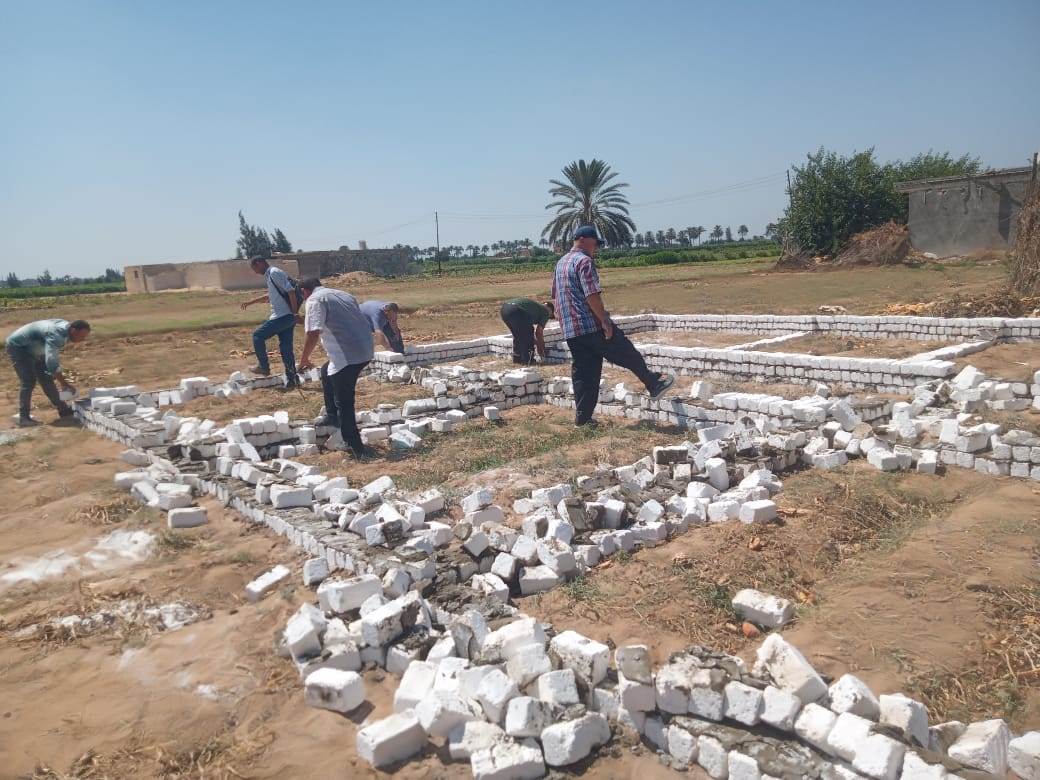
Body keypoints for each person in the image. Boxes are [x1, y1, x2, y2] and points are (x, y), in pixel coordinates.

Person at [552, 225, 674, 427]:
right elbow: (591, 294)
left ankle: (583, 420)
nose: (596, 248)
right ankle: (654, 383)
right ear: (583, 239)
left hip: (572, 332)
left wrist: (564, 322)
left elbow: (556, 298)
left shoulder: (560, 263)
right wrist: (604, 320)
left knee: (585, 375)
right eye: (595, 243)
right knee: (626, 352)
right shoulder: (584, 261)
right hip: (590, 326)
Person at [296, 278, 376, 459]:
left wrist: (304, 359)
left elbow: (313, 333)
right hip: (365, 349)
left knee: (344, 402)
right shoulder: (343, 295)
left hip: (347, 357)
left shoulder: (314, 300)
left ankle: (355, 447)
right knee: (326, 371)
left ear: (304, 291)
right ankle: (332, 415)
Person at [5, 318, 90, 426]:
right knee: (28, 381)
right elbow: (51, 362)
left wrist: (61, 380)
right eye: (81, 336)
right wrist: (64, 383)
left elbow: (50, 357)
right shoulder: (57, 335)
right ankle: (24, 418)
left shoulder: (66, 328)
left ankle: (63, 410)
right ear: (73, 330)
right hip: (19, 347)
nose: (82, 340)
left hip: (37, 348)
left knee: (46, 379)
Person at [239, 256, 300, 388]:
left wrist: (295, 313)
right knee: (286, 349)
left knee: (258, 336)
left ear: (259, 263)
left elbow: (291, 291)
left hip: (282, 317)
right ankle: (292, 379)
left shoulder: (274, 273)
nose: (255, 272)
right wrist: (251, 302)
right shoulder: (271, 275)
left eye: (254, 268)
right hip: (287, 317)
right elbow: (270, 296)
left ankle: (264, 366)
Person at [499, 298, 554, 364]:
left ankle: (517, 358)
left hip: (504, 309)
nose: (548, 318)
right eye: (550, 316)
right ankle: (528, 360)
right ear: (550, 311)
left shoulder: (535, 308)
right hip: (517, 310)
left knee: (518, 335)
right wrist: (541, 348)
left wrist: (536, 343)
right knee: (529, 332)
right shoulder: (546, 312)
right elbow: (539, 332)